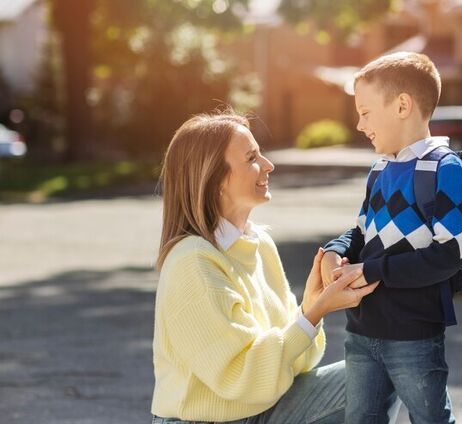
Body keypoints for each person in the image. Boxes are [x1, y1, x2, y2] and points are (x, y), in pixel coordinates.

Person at [151, 112, 379, 424]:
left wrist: (309, 309)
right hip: (206, 420)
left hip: (261, 409)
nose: (268, 165)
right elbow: (240, 378)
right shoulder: (193, 262)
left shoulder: (258, 244)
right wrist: (312, 315)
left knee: (382, 372)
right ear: (215, 180)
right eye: (252, 158)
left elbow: (298, 365)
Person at [320, 52, 462, 424]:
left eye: (366, 112)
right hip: (362, 332)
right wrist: (336, 248)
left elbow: (449, 255)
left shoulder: (445, 169)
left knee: (430, 419)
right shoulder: (380, 170)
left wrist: (371, 270)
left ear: (403, 105)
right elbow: (361, 230)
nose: (359, 124)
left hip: (414, 335)